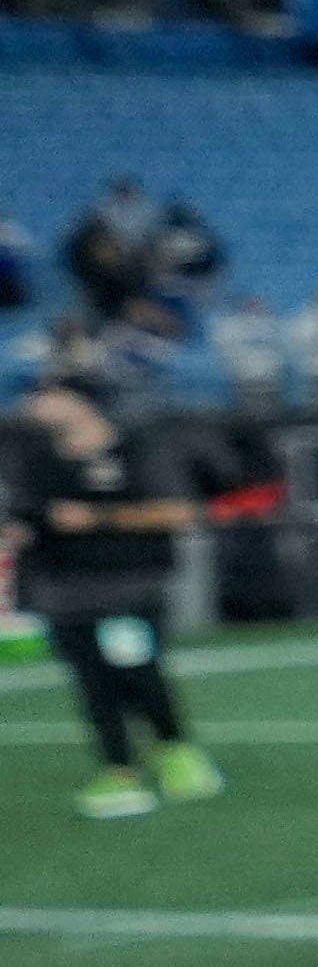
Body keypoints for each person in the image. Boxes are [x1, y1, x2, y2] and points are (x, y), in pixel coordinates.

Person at [9, 351, 217, 819]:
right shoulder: (35, 459)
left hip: (130, 585)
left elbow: (180, 511)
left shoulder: (136, 450)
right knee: (91, 681)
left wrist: (99, 518)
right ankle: (119, 768)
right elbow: (28, 516)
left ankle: (176, 751)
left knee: (137, 670)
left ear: (81, 401)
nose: (35, 405)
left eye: (47, 395)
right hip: (65, 589)